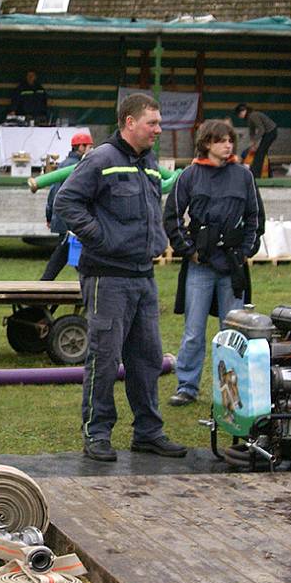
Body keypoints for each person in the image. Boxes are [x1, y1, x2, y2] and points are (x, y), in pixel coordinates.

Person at [54, 93, 187, 462]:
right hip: (107, 278)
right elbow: (66, 202)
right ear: (129, 122)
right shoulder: (101, 160)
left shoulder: (148, 162)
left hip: (143, 275)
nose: (158, 130)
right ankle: (97, 433)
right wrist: (101, 237)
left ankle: (148, 432)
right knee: (104, 358)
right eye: (152, 123)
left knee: (147, 358)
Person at [163, 120, 261, 407]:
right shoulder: (190, 176)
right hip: (201, 265)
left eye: (230, 139)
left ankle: (232, 391)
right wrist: (189, 251)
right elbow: (172, 216)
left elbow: (255, 216)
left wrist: (245, 250)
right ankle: (187, 387)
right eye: (220, 140)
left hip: (232, 264)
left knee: (233, 332)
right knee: (193, 331)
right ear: (207, 143)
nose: (227, 145)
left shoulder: (244, 176)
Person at [40, 132, 93, 281]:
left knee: (64, 256)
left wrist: (49, 215)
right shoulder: (80, 166)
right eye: (89, 146)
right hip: (72, 221)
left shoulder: (63, 165)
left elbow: (53, 192)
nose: (91, 149)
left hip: (61, 218)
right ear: (81, 147)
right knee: (78, 257)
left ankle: (42, 290)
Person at [234, 103, 277, 178]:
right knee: (263, 152)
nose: (240, 117)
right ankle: (269, 174)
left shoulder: (253, 115)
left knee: (260, 153)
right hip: (268, 133)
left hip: (271, 132)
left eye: (239, 114)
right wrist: (253, 143)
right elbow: (252, 131)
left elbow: (261, 130)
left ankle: (256, 174)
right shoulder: (249, 117)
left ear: (244, 111)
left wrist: (255, 142)